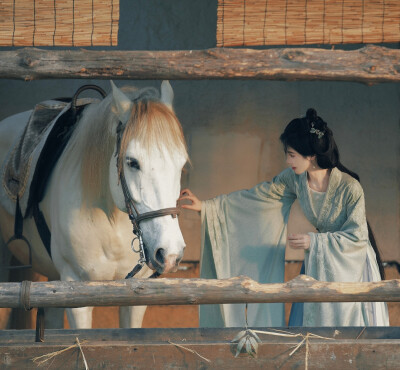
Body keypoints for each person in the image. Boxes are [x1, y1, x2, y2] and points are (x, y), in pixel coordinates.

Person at [179, 108, 389, 327]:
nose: (288, 161)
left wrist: (313, 241)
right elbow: (260, 197)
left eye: (292, 155)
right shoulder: (295, 179)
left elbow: (357, 237)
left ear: (310, 155)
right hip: (319, 260)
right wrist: (208, 207)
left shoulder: (350, 188)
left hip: (351, 264)